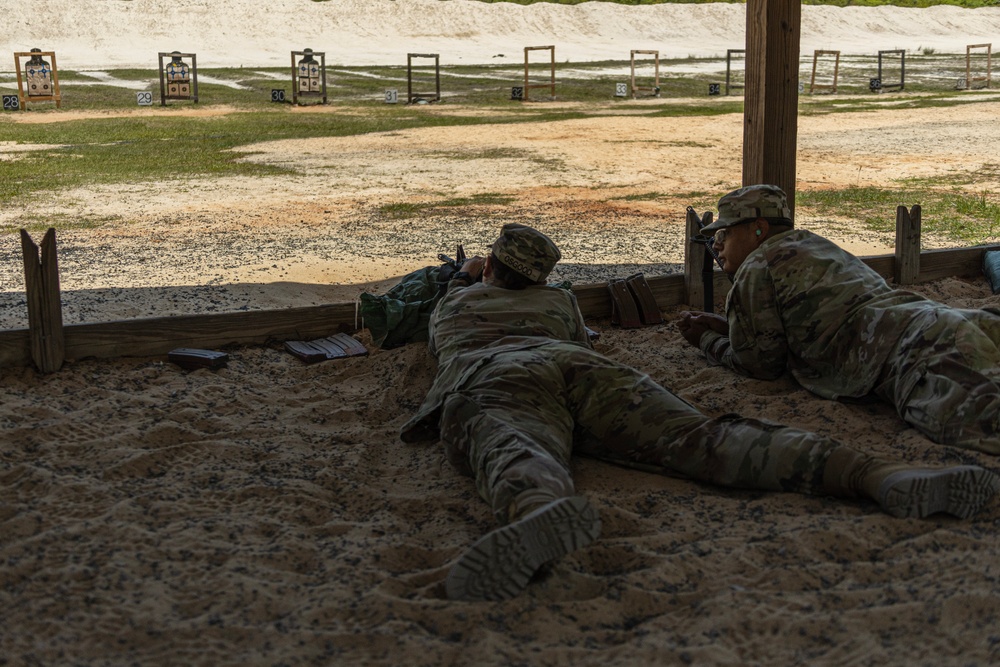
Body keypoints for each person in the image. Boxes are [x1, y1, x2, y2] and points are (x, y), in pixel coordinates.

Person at [401, 222, 999, 602]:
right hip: (580, 367)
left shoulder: (455, 306)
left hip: (496, 373)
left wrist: (465, 277)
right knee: (706, 436)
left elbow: (440, 316)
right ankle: (873, 474)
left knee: (515, 442)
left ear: (491, 268)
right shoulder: (560, 304)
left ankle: (539, 508)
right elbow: (581, 335)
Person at [679, 184, 1000, 455]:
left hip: (914, 355)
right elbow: (807, 318)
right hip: (943, 319)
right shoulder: (813, 244)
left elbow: (761, 365)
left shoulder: (756, 267)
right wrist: (730, 329)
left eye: (725, 232)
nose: (717, 244)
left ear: (758, 229)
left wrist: (706, 342)